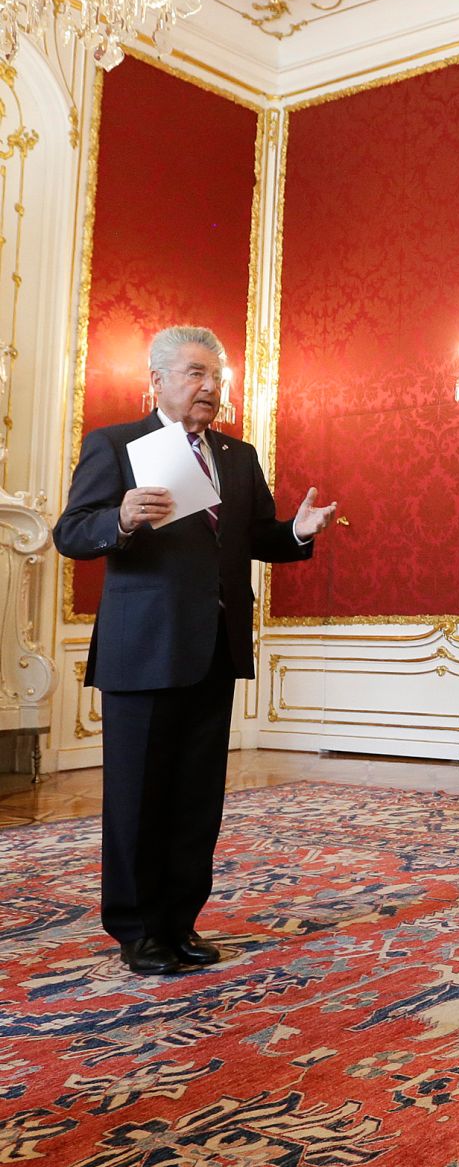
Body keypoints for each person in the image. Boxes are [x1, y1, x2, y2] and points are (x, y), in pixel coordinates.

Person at [52, 325, 338, 975]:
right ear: (156, 380)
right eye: (194, 373)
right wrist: (120, 518)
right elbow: (71, 532)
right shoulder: (117, 444)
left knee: (196, 799)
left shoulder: (237, 454)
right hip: (144, 650)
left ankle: (180, 923)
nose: (209, 386)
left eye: (216, 376)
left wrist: (296, 531)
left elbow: (255, 536)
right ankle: (137, 930)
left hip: (215, 646)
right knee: (138, 798)